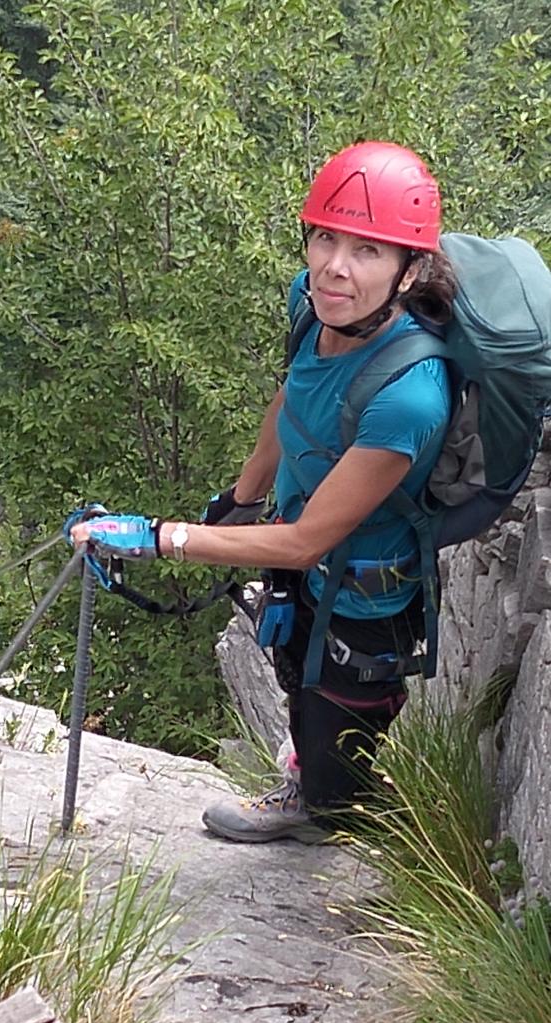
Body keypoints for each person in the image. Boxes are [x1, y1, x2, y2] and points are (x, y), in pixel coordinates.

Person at [68, 141, 455, 844]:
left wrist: (163, 536)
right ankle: (316, 772)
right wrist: (241, 495)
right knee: (293, 676)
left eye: (368, 250)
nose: (336, 265)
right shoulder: (312, 308)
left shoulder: (411, 395)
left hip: (366, 600)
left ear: (409, 272)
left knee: (334, 769)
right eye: (325, 237)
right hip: (302, 560)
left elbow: (310, 543)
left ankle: (333, 806)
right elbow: (293, 398)